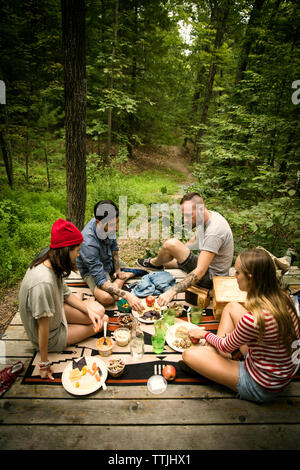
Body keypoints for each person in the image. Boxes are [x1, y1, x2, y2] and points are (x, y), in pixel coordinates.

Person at [181, 248, 300, 403]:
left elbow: (226, 346)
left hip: (262, 385)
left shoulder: (253, 320)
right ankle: (215, 356)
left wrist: (203, 334)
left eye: (237, 272)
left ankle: (213, 360)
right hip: (280, 369)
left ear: (250, 277)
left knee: (189, 355)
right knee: (232, 306)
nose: (234, 276)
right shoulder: (284, 297)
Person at [19, 219, 108, 381]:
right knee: (103, 321)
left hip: (56, 310)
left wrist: (88, 311)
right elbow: (43, 327)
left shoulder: (52, 260)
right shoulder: (43, 282)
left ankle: (88, 314)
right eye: (77, 250)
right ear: (67, 251)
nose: (79, 254)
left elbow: (66, 294)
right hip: (51, 333)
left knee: (99, 311)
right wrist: (44, 364)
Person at [137, 192, 234, 306]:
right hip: (207, 265)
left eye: (188, 215)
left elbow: (200, 271)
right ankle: (156, 263)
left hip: (212, 279)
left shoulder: (214, 232)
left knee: (171, 244)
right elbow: (195, 240)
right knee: (168, 260)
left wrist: (172, 291)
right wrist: (179, 252)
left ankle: (153, 263)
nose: (185, 220)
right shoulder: (210, 216)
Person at [76, 200, 144, 312]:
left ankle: (121, 276)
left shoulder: (108, 223)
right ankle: (125, 277)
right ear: (98, 222)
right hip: (92, 270)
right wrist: (127, 295)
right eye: (113, 224)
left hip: (108, 260)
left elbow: (114, 249)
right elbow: (101, 281)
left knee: (142, 270)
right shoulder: (88, 242)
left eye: (117, 222)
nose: (116, 228)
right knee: (107, 298)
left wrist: (117, 269)